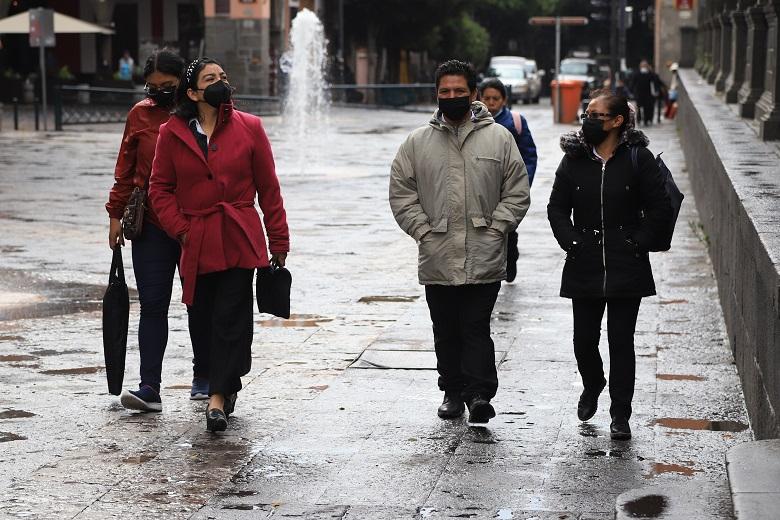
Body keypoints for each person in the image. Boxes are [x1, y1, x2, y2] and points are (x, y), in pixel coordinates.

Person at [149, 58, 289, 432]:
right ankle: (225, 385)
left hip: (239, 236)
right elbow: (159, 189)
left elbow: (269, 188)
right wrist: (181, 229)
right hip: (196, 240)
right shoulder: (171, 132)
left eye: (224, 77)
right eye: (211, 79)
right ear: (192, 92)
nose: (220, 83)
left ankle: (216, 397)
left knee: (232, 317)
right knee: (203, 319)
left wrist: (279, 238)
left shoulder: (250, 128)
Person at [389, 60, 530, 424]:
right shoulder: (417, 142)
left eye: (459, 91)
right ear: (436, 94)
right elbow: (401, 192)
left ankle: (480, 394)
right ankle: (452, 391)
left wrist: (499, 227)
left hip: (484, 252)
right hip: (437, 253)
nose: (452, 97)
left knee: (475, 325)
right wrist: (422, 229)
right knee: (446, 327)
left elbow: (516, 190)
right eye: (445, 91)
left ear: (474, 94)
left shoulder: (499, 138)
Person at [547, 89, 672, 440]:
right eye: (586, 113)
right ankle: (592, 382)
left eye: (596, 115)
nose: (588, 120)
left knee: (621, 341)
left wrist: (638, 241)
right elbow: (556, 207)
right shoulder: (573, 159)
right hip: (584, 259)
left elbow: (660, 207)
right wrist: (571, 241)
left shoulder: (638, 158)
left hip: (625, 262)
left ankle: (621, 413)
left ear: (617, 121)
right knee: (583, 340)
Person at [106, 49, 210, 412]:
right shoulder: (140, 114)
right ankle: (150, 386)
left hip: (194, 224)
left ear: (184, 83)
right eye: (153, 86)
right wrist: (114, 214)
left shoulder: (200, 113)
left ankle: (205, 376)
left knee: (199, 301)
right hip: (150, 225)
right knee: (152, 305)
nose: (160, 93)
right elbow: (126, 167)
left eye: (168, 86)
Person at [478, 78, 537, 283]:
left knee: (508, 228)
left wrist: (523, 183)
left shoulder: (515, 122)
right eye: (487, 98)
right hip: (483, 188)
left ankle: (510, 258)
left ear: (503, 100)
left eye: (496, 98)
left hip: (508, 187)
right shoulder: (472, 122)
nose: (491, 103)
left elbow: (529, 155)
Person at [629, 60, 662, 126]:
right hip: (639, 94)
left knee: (647, 108)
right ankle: (639, 119)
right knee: (639, 107)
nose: (644, 67)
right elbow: (632, 83)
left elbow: (656, 80)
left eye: (645, 65)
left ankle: (646, 120)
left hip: (648, 94)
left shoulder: (650, 74)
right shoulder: (637, 74)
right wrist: (631, 91)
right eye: (643, 65)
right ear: (640, 66)